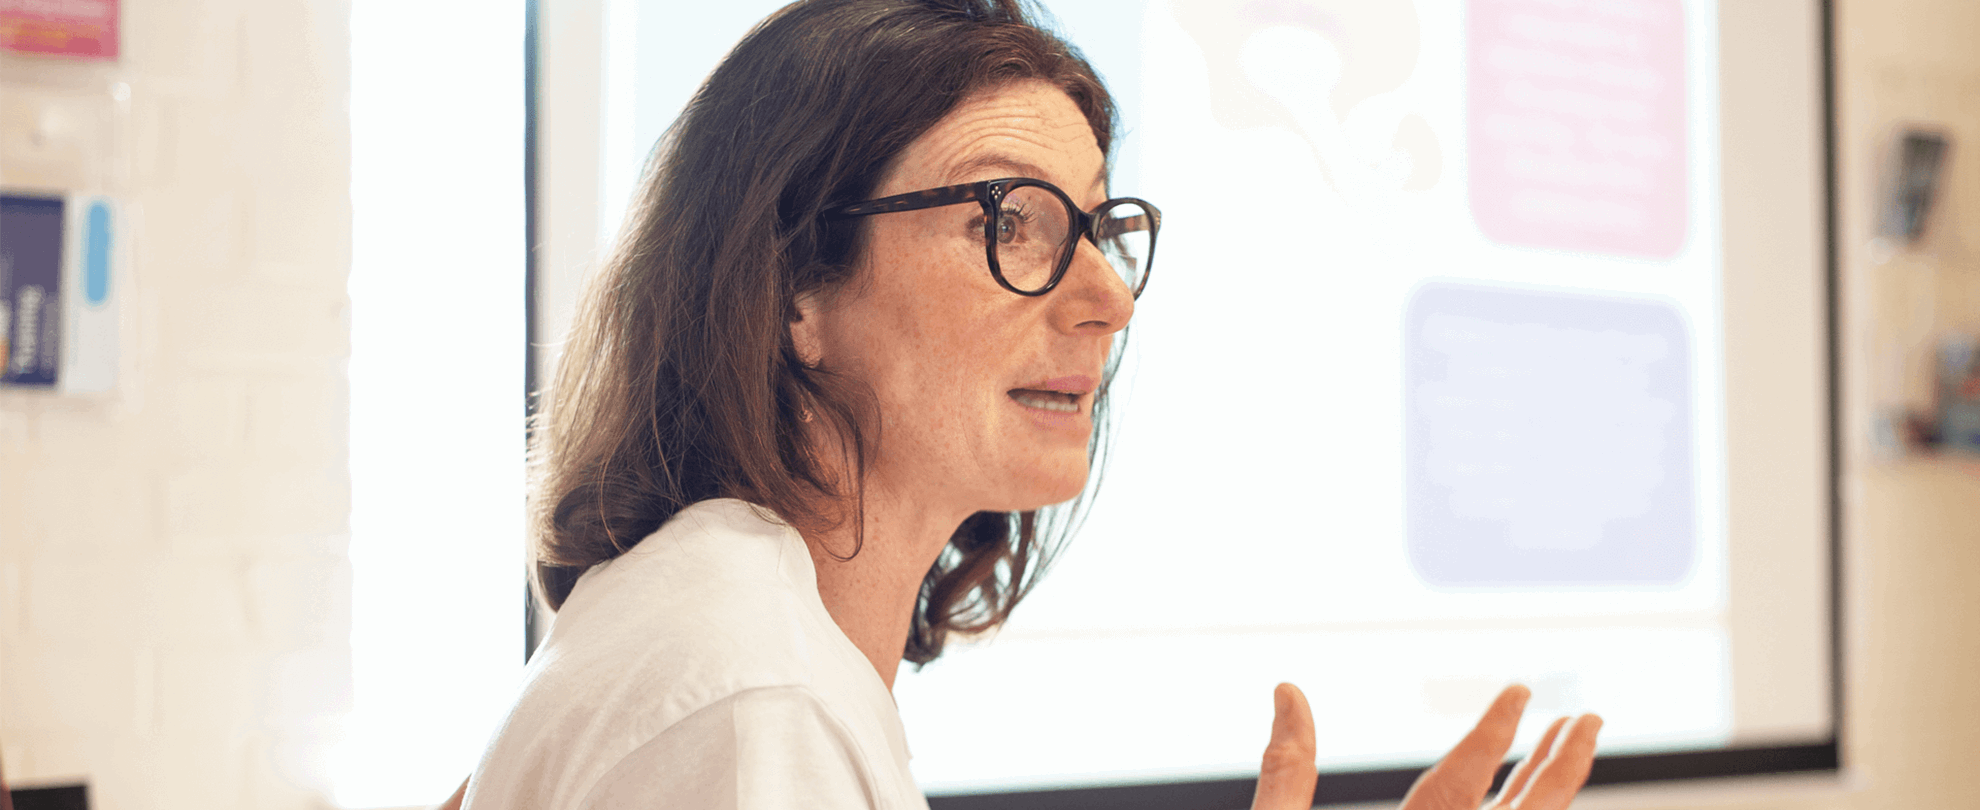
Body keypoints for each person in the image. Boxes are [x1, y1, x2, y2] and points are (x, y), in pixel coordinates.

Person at [457, 1, 1602, 808]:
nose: (1108, 298)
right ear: (796, 284)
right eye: (1010, 218)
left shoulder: (735, 635)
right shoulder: (755, 699)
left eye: (1100, 227)